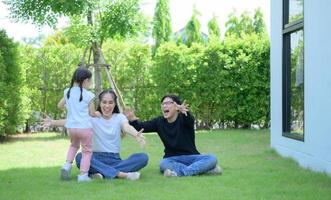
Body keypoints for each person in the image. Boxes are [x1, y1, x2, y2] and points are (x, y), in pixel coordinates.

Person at [44, 89, 148, 181]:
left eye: (110, 102)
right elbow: (72, 121)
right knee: (80, 157)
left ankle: (99, 173)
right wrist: (52, 122)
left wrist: (135, 134)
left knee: (143, 157)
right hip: (95, 158)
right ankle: (121, 175)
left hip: (115, 160)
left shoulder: (119, 117)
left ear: (115, 104)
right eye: (104, 102)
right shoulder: (93, 118)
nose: (107, 106)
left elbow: (127, 127)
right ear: (100, 103)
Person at [124, 94, 222, 177]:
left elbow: (189, 119)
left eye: (168, 103)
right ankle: (203, 170)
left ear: (176, 106)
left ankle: (180, 172)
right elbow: (141, 127)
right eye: (163, 104)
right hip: (171, 159)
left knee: (212, 158)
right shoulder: (159, 122)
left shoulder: (184, 119)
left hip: (192, 157)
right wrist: (132, 119)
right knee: (163, 164)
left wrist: (184, 112)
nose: (165, 106)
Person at [57, 67, 99, 182]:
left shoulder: (68, 92)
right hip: (84, 128)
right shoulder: (89, 95)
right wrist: (98, 113)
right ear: (85, 81)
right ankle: (83, 175)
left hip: (71, 128)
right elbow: (92, 113)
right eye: (90, 81)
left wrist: (70, 108)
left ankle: (67, 165)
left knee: (73, 146)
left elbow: (59, 106)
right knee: (87, 151)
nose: (90, 84)